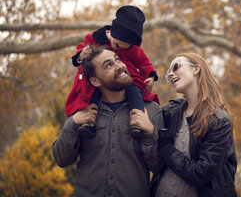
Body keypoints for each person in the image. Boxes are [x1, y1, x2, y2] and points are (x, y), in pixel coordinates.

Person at [53, 46, 164, 197]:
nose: (120, 66)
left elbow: (159, 167)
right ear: (95, 81)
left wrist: (150, 132)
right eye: (109, 65)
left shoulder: (151, 110)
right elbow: (62, 159)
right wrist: (73, 123)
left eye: (117, 59)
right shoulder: (81, 112)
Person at [150, 52, 238, 197]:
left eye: (176, 66)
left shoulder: (219, 121)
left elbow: (201, 174)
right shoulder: (170, 111)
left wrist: (166, 148)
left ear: (196, 69)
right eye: (168, 72)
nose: (171, 74)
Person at [65, 5, 159, 137]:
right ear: (113, 32)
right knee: (89, 94)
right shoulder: (94, 39)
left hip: (126, 75)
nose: (120, 49)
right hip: (97, 76)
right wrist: (81, 55)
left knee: (135, 90)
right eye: (118, 45)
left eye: (125, 47)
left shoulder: (133, 48)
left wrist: (151, 76)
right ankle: (88, 123)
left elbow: (144, 61)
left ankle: (137, 120)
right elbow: (80, 50)